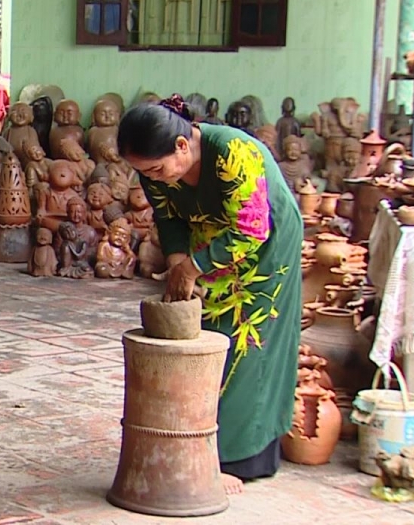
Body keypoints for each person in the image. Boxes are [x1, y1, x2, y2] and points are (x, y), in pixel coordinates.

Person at [116, 94, 301, 495]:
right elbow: (168, 215)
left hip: (265, 243)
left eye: (157, 169)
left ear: (182, 146)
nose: (153, 178)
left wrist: (193, 267)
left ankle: (240, 457)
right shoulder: (156, 169)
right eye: (143, 172)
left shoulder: (234, 152)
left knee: (248, 341)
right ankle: (201, 444)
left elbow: (252, 229)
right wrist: (180, 264)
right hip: (211, 240)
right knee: (209, 330)